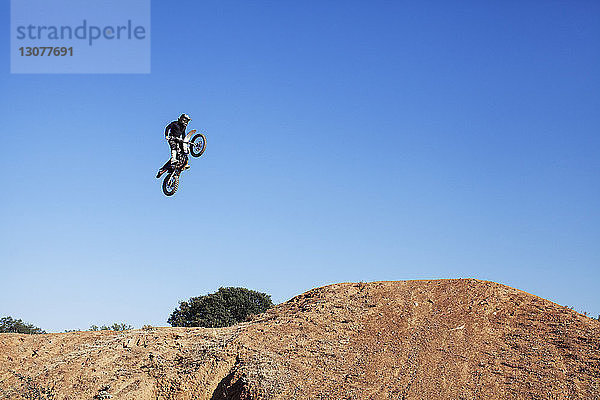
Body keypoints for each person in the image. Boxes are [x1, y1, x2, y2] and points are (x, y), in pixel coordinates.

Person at [156, 113, 191, 178]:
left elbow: (183, 134)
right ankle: (173, 160)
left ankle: (184, 163)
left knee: (185, 150)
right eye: (185, 120)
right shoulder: (175, 123)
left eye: (187, 121)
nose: (186, 122)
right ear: (182, 119)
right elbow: (167, 128)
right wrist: (166, 135)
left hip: (179, 139)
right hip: (172, 138)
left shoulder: (184, 127)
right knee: (174, 147)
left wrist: (185, 141)